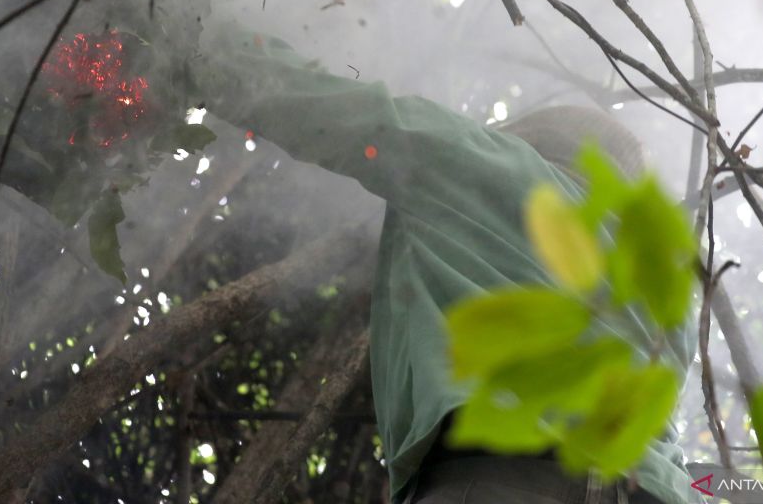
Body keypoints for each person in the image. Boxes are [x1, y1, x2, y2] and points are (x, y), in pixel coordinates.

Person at [186, 27, 699, 504]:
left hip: (508, 480)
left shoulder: (486, 164)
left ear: (532, 138)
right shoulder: (659, 283)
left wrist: (194, 44)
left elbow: (345, 114)